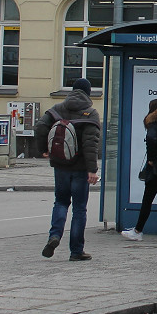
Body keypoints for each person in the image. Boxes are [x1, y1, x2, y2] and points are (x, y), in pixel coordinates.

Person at [35, 78, 101, 261]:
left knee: (61, 202)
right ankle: (76, 251)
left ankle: (54, 236)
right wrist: (92, 170)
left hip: (60, 165)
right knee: (79, 209)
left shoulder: (57, 109)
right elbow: (91, 145)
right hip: (80, 168)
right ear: (88, 93)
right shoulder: (90, 113)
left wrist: (43, 149)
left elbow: (40, 127)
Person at [121, 98, 157, 243]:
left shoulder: (153, 126)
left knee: (147, 200)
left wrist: (151, 159)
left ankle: (138, 231)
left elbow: (151, 140)